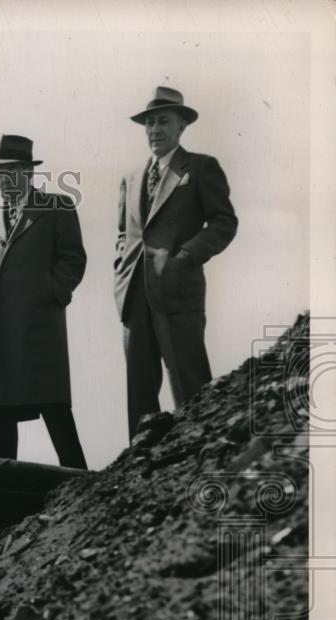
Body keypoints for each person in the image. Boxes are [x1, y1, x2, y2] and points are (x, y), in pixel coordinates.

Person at [114, 86, 238, 439]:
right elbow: (123, 233)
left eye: (163, 122)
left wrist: (186, 255)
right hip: (134, 295)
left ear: (182, 126)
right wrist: (120, 271)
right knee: (139, 389)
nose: (155, 130)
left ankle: (201, 452)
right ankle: (139, 465)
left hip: (178, 291)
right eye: (149, 123)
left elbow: (224, 222)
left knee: (189, 383)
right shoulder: (131, 177)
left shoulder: (200, 167)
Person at [0, 134, 88, 468]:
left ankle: (84, 486)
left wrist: (53, 293)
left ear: (29, 173)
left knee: (55, 407)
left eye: (12, 171)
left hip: (39, 327)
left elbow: (73, 259)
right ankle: (4, 505)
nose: (4, 180)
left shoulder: (57, 207)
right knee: (1, 415)